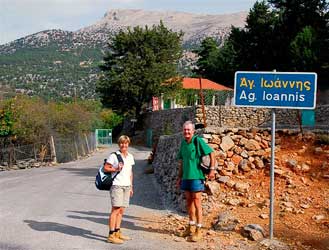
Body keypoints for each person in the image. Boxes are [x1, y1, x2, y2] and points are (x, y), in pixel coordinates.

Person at [176, 121, 215, 242]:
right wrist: (179, 177)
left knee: (197, 202)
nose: (186, 132)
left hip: (197, 177)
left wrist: (212, 170)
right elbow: (182, 162)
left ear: (193, 131)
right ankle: (191, 227)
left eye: (189, 130)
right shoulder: (183, 143)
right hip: (186, 177)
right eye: (185, 130)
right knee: (189, 202)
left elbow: (211, 153)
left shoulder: (198, 141)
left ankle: (199, 230)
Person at [104, 135, 135, 244]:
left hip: (126, 186)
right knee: (115, 210)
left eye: (126, 143)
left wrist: (131, 186)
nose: (124, 145)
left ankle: (117, 232)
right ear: (119, 144)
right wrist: (116, 168)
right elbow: (106, 168)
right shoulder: (114, 156)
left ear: (128, 144)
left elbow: (130, 172)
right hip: (117, 185)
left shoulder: (130, 156)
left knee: (121, 210)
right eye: (122, 143)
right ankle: (111, 235)